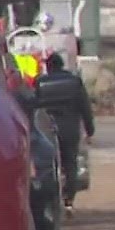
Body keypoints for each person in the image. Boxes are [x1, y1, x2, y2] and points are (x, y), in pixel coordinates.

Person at [36, 53, 95, 211]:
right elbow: (85, 108)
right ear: (62, 65)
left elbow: (34, 107)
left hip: (48, 130)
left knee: (50, 165)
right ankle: (69, 200)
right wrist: (90, 130)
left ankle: (53, 199)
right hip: (70, 129)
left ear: (48, 67)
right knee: (71, 164)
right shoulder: (75, 82)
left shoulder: (41, 82)